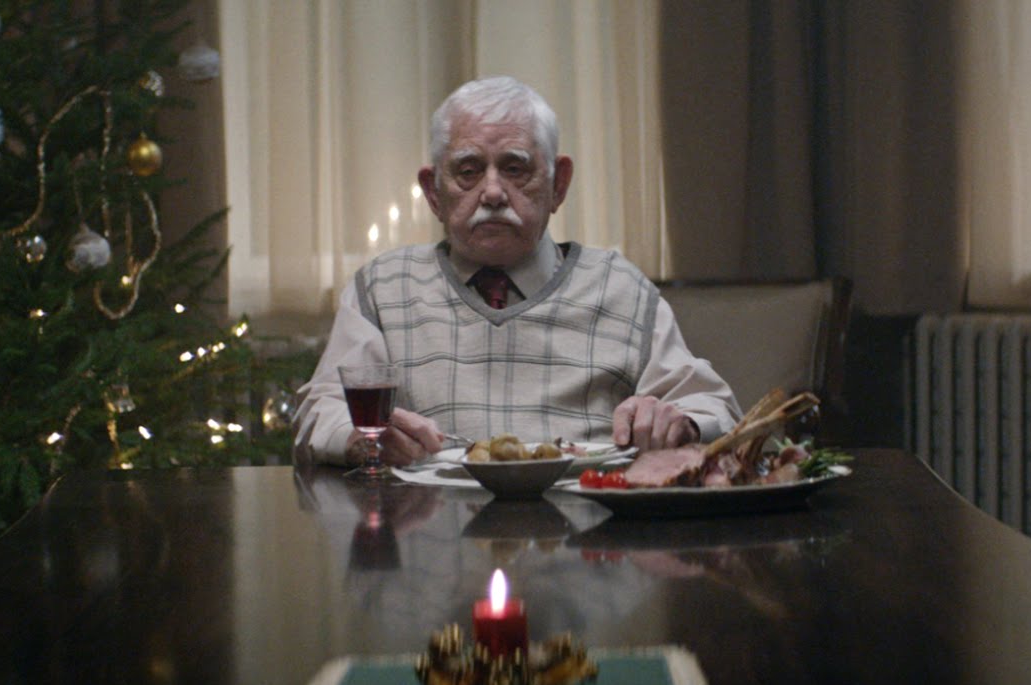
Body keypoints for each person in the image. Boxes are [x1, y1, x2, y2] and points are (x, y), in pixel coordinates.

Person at [294, 76, 740, 467]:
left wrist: (679, 422)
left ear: (558, 184)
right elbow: (320, 412)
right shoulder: (383, 289)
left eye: (514, 169)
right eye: (468, 171)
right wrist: (363, 440)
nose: (492, 193)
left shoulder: (620, 287)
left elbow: (714, 407)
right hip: (429, 526)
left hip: (586, 527)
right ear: (433, 192)